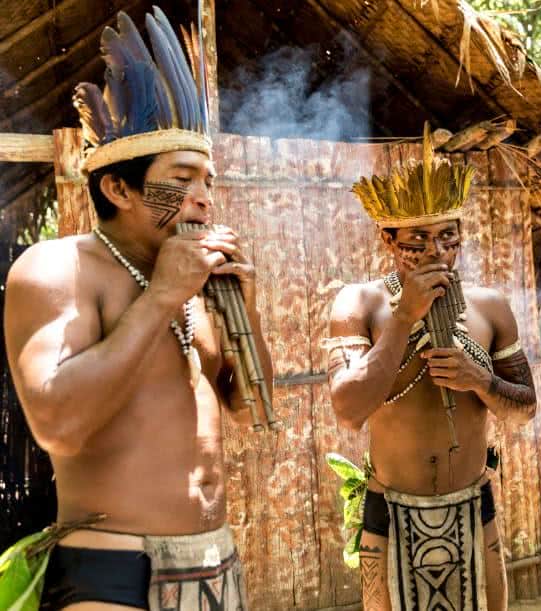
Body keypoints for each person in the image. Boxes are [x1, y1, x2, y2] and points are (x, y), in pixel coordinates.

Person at [3, 8, 271, 610]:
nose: (204, 198)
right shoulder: (56, 269)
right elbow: (57, 426)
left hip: (215, 566)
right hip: (113, 570)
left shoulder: (195, 282)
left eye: (208, 179)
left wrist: (244, 316)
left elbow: (250, 413)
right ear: (118, 189)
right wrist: (161, 299)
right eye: (182, 177)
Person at [325, 126, 537, 610]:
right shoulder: (358, 302)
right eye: (417, 239)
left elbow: (524, 410)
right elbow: (348, 408)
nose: (437, 251)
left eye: (447, 236)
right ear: (388, 238)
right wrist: (405, 317)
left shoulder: (490, 307)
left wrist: (480, 380)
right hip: (390, 512)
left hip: (473, 509)